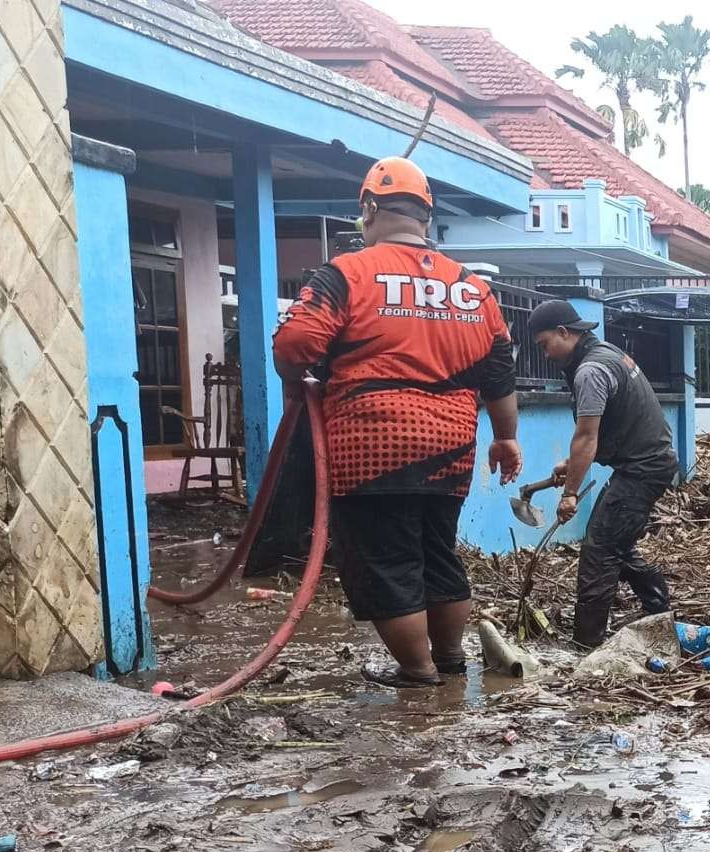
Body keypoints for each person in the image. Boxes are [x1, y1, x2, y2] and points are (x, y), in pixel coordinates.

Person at [273, 156, 520, 688]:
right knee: (438, 554)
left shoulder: (346, 273)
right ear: (426, 218)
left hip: (373, 444)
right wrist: (506, 438)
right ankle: (450, 660)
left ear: (368, 208)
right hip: (452, 446)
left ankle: (417, 670)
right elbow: (500, 372)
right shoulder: (473, 288)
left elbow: (295, 343)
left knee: (386, 560)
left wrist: (297, 381)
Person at [530, 299, 679, 649]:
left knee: (599, 552)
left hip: (641, 469)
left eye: (545, 344)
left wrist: (570, 493)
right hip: (650, 462)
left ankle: (586, 646)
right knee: (617, 543)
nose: (546, 355)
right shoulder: (606, 352)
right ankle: (660, 611)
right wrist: (572, 466)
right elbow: (612, 426)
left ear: (564, 333)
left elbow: (586, 437)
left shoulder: (590, 371)